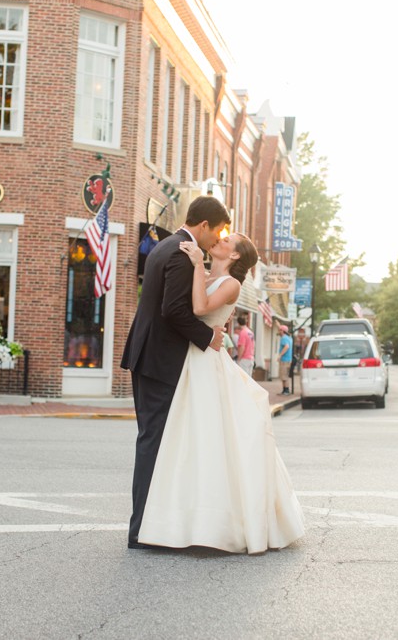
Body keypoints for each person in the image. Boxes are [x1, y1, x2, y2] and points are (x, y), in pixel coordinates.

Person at [138, 232, 306, 554]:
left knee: (211, 441)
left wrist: (197, 263)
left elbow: (199, 307)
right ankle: (179, 522)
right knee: (187, 443)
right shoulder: (205, 271)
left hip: (207, 365)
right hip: (191, 360)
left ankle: (217, 526)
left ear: (234, 256)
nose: (220, 239)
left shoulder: (231, 283)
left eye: (228, 240)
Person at [120, 196, 230, 550]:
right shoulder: (182, 253)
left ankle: (151, 524)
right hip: (159, 360)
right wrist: (208, 337)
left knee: (154, 441)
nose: (216, 241)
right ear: (202, 226)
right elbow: (174, 311)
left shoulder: (164, 245)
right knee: (153, 442)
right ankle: (140, 531)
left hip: (146, 355)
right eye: (216, 233)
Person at [277, 325, 292, 395]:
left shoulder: (284, 338)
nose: (279, 331)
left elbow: (287, 346)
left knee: (284, 375)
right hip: (288, 359)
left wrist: (280, 355)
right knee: (284, 375)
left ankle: (286, 390)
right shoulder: (289, 338)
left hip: (284, 360)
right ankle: (284, 390)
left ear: (282, 331)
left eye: (280, 330)